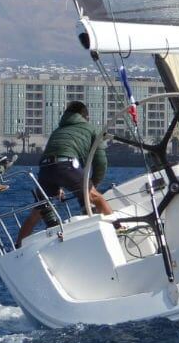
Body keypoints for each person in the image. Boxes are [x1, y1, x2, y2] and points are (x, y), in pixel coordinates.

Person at [17, 101, 110, 241]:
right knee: (97, 198)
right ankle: (119, 229)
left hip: (45, 169)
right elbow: (101, 162)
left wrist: (58, 185)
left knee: (39, 210)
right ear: (86, 116)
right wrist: (93, 185)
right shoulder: (90, 128)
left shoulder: (58, 130)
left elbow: (55, 158)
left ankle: (18, 246)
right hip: (66, 165)